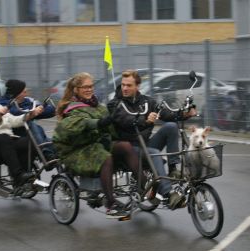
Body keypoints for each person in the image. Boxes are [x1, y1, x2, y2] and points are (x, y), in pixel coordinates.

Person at [53, 72, 143, 219]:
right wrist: (100, 123)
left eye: (91, 86)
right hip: (77, 150)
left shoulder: (99, 106)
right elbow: (81, 123)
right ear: (76, 89)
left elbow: (112, 130)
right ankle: (111, 204)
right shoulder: (71, 108)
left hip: (98, 145)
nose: (89, 89)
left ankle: (144, 188)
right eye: (85, 87)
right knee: (105, 157)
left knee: (125, 146)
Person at [107, 69, 197, 209]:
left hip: (144, 144)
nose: (124, 88)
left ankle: (173, 168)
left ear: (137, 86)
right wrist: (145, 120)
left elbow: (167, 114)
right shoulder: (115, 104)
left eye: (129, 85)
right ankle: (168, 194)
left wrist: (185, 114)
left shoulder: (147, 102)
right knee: (153, 152)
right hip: (128, 149)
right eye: (123, 84)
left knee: (171, 126)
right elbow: (124, 119)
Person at [0, 79, 57, 161]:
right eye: (24, 92)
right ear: (17, 93)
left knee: (57, 145)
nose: (26, 94)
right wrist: (31, 112)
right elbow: (14, 113)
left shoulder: (27, 101)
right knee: (30, 124)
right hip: (13, 132)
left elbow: (49, 110)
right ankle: (44, 153)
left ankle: (58, 162)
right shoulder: (1, 102)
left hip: (33, 134)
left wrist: (39, 110)